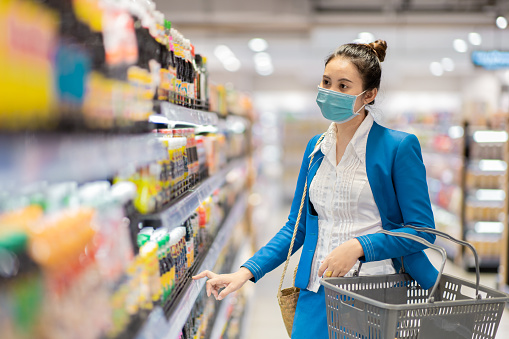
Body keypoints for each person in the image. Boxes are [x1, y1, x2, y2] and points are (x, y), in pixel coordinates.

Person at [193, 39, 438, 338]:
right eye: (326, 82)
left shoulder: (397, 147)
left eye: (344, 86)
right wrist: (245, 272)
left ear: (369, 95)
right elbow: (295, 228)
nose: (330, 93)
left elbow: (421, 231)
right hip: (315, 292)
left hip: (375, 296)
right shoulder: (316, 149)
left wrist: (361, 246)